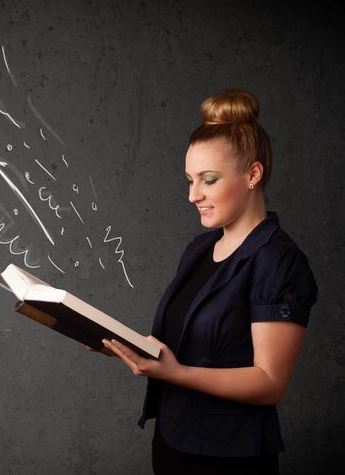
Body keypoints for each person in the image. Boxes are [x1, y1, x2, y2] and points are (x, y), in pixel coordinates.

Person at [85, 88, 318, 474]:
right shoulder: (199, 248)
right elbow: (189, 340)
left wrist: (176, 374)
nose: (194, 195)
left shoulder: (278, 260)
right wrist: (126, 345)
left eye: (208, 180)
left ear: (253, 174)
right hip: (175, 443)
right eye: (190, 180)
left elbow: (270, 382)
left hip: (230, 458)